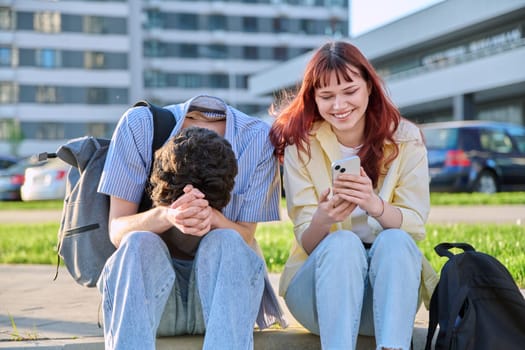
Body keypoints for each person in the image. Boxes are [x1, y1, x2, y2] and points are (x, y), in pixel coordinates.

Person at [269, 41, 438, 350]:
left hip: (388, 300)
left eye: (349, 91)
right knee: (342, 242)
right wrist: (323, 219)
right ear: (313, 98)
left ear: (369, 88)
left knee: (397, 239)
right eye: (327, 96)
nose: (339, 105)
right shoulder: (301, 145)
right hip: (319, 299)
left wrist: (374, 205)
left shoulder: (405, 138)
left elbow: (414, 225)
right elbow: (306, 239)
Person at [97, 95, 286, 350]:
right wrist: (167, 214)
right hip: (151, 303)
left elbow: (246, 237)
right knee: (137, 241)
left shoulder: (257, 139)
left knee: (228, 240)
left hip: (224, 303)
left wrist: (213, 217)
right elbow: (117, 229)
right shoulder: (139, 126)